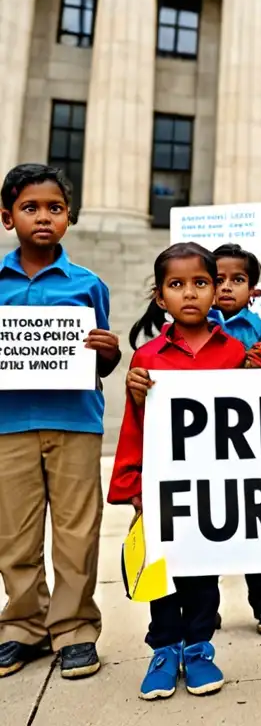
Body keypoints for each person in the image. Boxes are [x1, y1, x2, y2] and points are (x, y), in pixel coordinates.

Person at [109, 242, 260, 700]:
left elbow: (249, 423)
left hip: (213, 487)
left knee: (203, 572)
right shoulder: (148, 357)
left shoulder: (235, 352)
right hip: (160, 487)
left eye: (201, 283)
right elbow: (134, 426)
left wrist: (260, 381)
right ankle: (164, 649)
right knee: (161, 571)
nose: (190, 293)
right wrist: (133, 486)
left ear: (217, 290)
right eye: (177, 285)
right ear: (160, 297)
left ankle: (198, 647)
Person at [0, 164, 121, 681]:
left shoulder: (87, 284)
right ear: (8, 217)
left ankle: (74, 630)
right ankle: (23, 627)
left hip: (75, 421)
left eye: (54, 208)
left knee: (76, 530)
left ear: (70, 218)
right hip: (8, 425)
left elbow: (102, 361)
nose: (43, 218)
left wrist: (108, 352)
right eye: (30, 208)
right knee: (14, 534)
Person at [209, 243, 261, 636]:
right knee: (204, 523)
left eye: (237, 280)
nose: (226, 287)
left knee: (260, 522)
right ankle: (203, 605)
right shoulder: (191, 327)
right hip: (204, 446)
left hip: (253, 444)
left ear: (254, 290)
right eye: (218, 279)